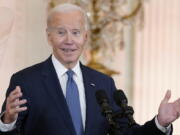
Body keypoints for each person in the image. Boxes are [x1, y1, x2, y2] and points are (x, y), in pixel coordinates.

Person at [0, 3, 180, 135]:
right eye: (61, 32)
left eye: (76, 33)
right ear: (49, 37)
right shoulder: (25, 82)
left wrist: (160, 123)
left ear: (85, 37)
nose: (69, 40)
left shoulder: (104, 83)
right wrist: (7, 122)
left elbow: (127, 133)